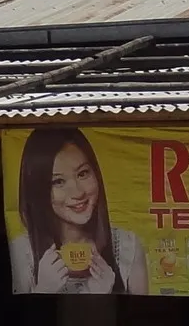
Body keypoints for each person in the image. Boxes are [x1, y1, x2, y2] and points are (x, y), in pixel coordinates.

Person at [12, 125, 148, 295]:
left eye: (83, 173)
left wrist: (106, 297)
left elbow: (144, 319)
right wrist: (43, 291)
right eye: (58, 182)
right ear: (38, 189)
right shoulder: (22, 252)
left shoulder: (128, 247)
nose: (77, 192)